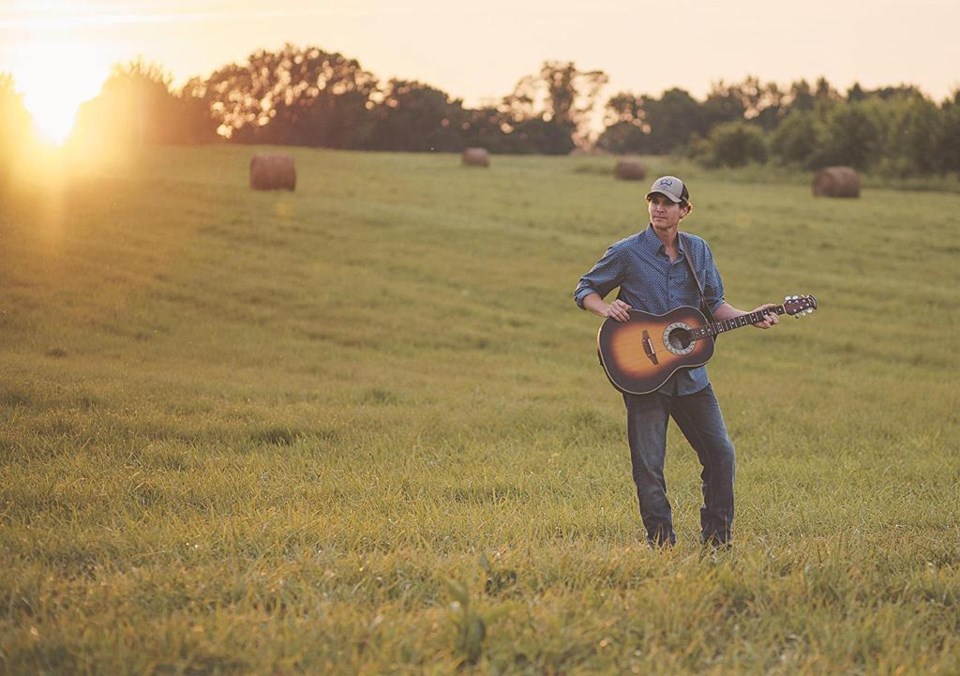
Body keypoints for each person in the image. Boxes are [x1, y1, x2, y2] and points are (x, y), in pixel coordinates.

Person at [573, 175, 779, 548]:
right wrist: (605, 306)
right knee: (649, 467)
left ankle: (717, 542)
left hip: (691, 377)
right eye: (653, 201)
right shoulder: (626, 252)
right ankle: (662, 544)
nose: (658, 208)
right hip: (641, 374)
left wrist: (752, 315)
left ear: (684, 210)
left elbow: (715, 306)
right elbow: (584, 288)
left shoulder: (698, 251)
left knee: (721, 455)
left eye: (667, 202)